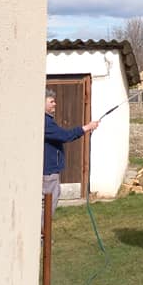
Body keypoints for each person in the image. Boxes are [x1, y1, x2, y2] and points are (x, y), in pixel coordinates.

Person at [43, 88, 99, 218]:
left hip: (50, 171)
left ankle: (43, 235)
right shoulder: (45, 122)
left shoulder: (47, 120)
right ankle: (42, 236)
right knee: (48, 205)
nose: (54, 104)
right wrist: (87, 127)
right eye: (51, 101)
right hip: (48, 172)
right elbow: (65, 136)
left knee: (49, 203)